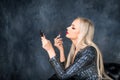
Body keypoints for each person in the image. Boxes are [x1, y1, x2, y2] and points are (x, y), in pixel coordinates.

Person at [41, 17, 112, 80]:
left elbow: (63, 76)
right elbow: (64, 71)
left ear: (82, 33)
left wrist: (50, 50)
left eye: (73, 27)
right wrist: (61, 50)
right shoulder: (76, 50)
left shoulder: (89, 51)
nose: (67, 28)